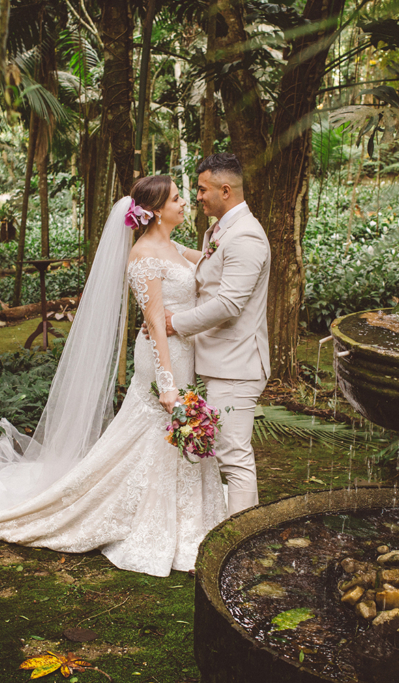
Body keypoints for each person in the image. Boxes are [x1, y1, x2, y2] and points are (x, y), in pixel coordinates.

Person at [0, 175, 227, 577]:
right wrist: (168, 382)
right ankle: (147, 516)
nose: (184, 203)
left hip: (184, 353)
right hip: (162, 359)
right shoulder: (143, 257)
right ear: (156, 210)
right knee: (158, 433)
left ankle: (188, 514)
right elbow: (155, 323)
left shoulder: (174, 247)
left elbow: (213, 260)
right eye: (177, 198)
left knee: (170, 436)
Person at [164, 153, 271, 515]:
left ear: (225, 190)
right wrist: (169, 248)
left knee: (233, 457)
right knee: (223, 453)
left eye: (202, 189)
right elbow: (213, 263)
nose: (197, 196)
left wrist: (174, 322)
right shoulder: (225, 229)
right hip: (218, 361)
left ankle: (240, 544)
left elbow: (228, 304)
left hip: (236, 367)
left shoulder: (246, 237)